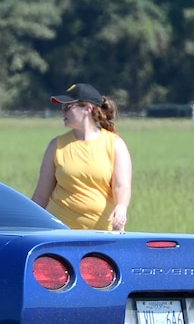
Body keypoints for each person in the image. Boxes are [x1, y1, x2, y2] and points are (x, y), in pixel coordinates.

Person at [31, 82, 133, 231]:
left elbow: (122, 185)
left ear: (87, 109)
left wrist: (121, 207)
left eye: (67, 107)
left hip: (103, 233)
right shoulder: (56, 145)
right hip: (61, 233)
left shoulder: (114, 144)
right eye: (62, 108)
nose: (62, 112)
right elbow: (41, 196)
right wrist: (28, 224)